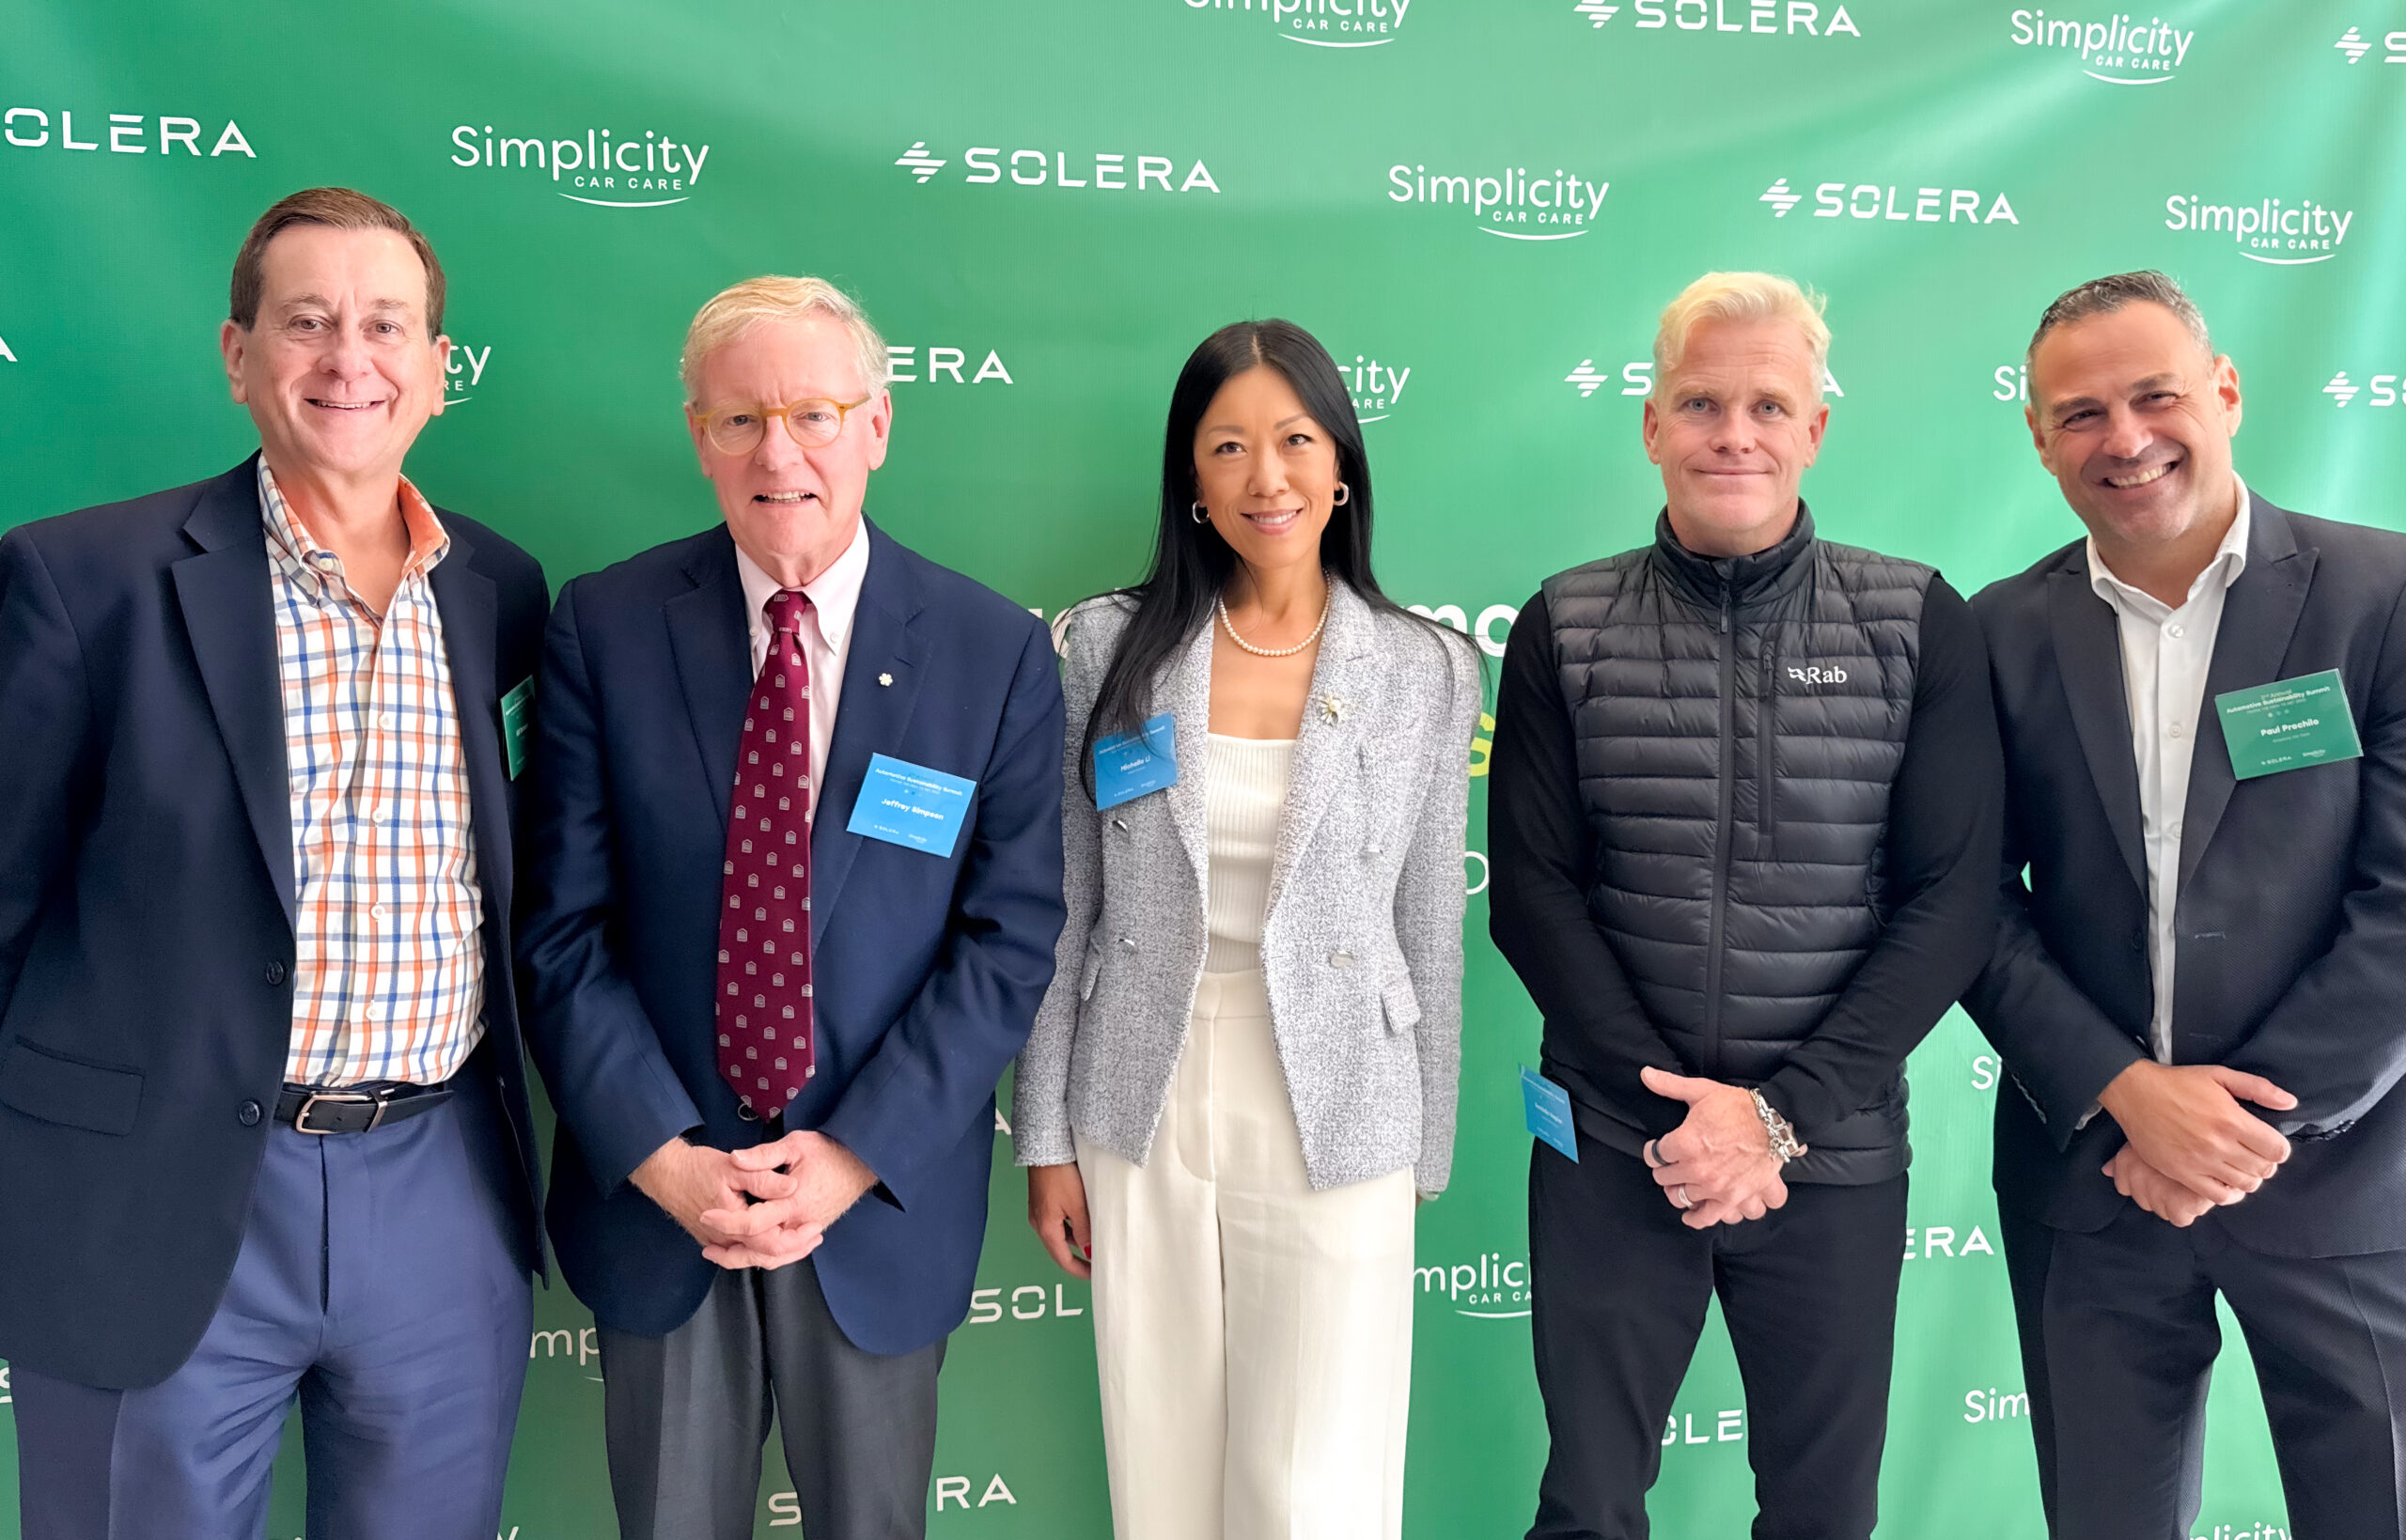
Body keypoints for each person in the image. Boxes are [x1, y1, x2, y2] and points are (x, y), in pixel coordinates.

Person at [0, 188, 549, 1540]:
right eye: (307, 322)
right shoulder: (83, 581)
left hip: (440, 1187)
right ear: (238, 356)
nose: (348, 359)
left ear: (438, 368)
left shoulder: (500, 592)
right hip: (151, 1198)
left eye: (386, 326)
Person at [517, 274, 1066, 1540]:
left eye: (814, 414)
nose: (780, 454)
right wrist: (663, 1158)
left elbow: (1007, 940)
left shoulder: (988, 650)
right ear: (698, 435)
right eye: (740, 420)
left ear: (875, 425)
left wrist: (855, 1152)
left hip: (872, 1209)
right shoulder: (605, 625)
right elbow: (561, 929)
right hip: (667, 1205)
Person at [1487, 271, 2004, 1540]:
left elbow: (1952, 901)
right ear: (1651, 425)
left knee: (1824, 1514)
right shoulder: (1564, 622)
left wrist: (1775, 1119)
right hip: (1616, 1149)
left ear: (1813, 429)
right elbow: (1533, 897)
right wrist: (1686, 1120)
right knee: (1588, 1504)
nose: (1735, 434)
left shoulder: (1916, 620)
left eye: (1769, 405)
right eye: (1702, 403)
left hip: (1831, 1152)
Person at [1011, 318, 1480, 1540]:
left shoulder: (1425, 667)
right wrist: (1046, 1135)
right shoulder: (1107, 647)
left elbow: (1431, 919)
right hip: (1144, 1086)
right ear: (1192, 478)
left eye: (1295, 440)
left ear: (1342, 466)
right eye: (1228, 447)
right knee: (1162, 1450)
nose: (1266, 477)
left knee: (1316, 1476)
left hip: (1342, 1091)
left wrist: (1423, 1148)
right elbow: (1067, 902)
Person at [1963, 270, 2406, 1538]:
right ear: (2039, 438)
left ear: (2225, 391)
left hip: (2343, 1175)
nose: (2126, 438)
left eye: (2155, 396)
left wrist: (2235, 1129)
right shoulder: (1995, 635)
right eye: (2080, 413)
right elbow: (1968, 904)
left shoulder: (2383, 597)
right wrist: (2126, 1092)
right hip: (2089, 1180)